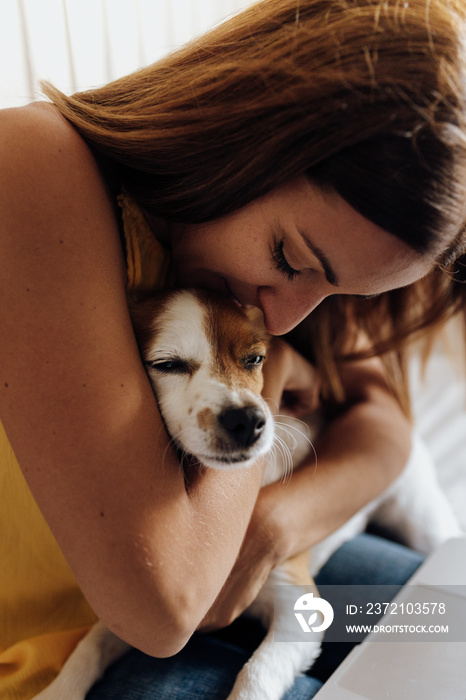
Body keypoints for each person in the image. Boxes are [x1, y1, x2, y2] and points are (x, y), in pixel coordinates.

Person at [1, 0, 466, 698]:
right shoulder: (32, 168)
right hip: (97, 649)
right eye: (289, 256)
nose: (284, 321)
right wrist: (266, 373)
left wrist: (276, 526)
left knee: (448, 632)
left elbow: (385, 427)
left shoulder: (266, 283)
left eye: (337, 294)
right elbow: (172, 608)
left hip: (292, 576)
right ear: (247, 132)